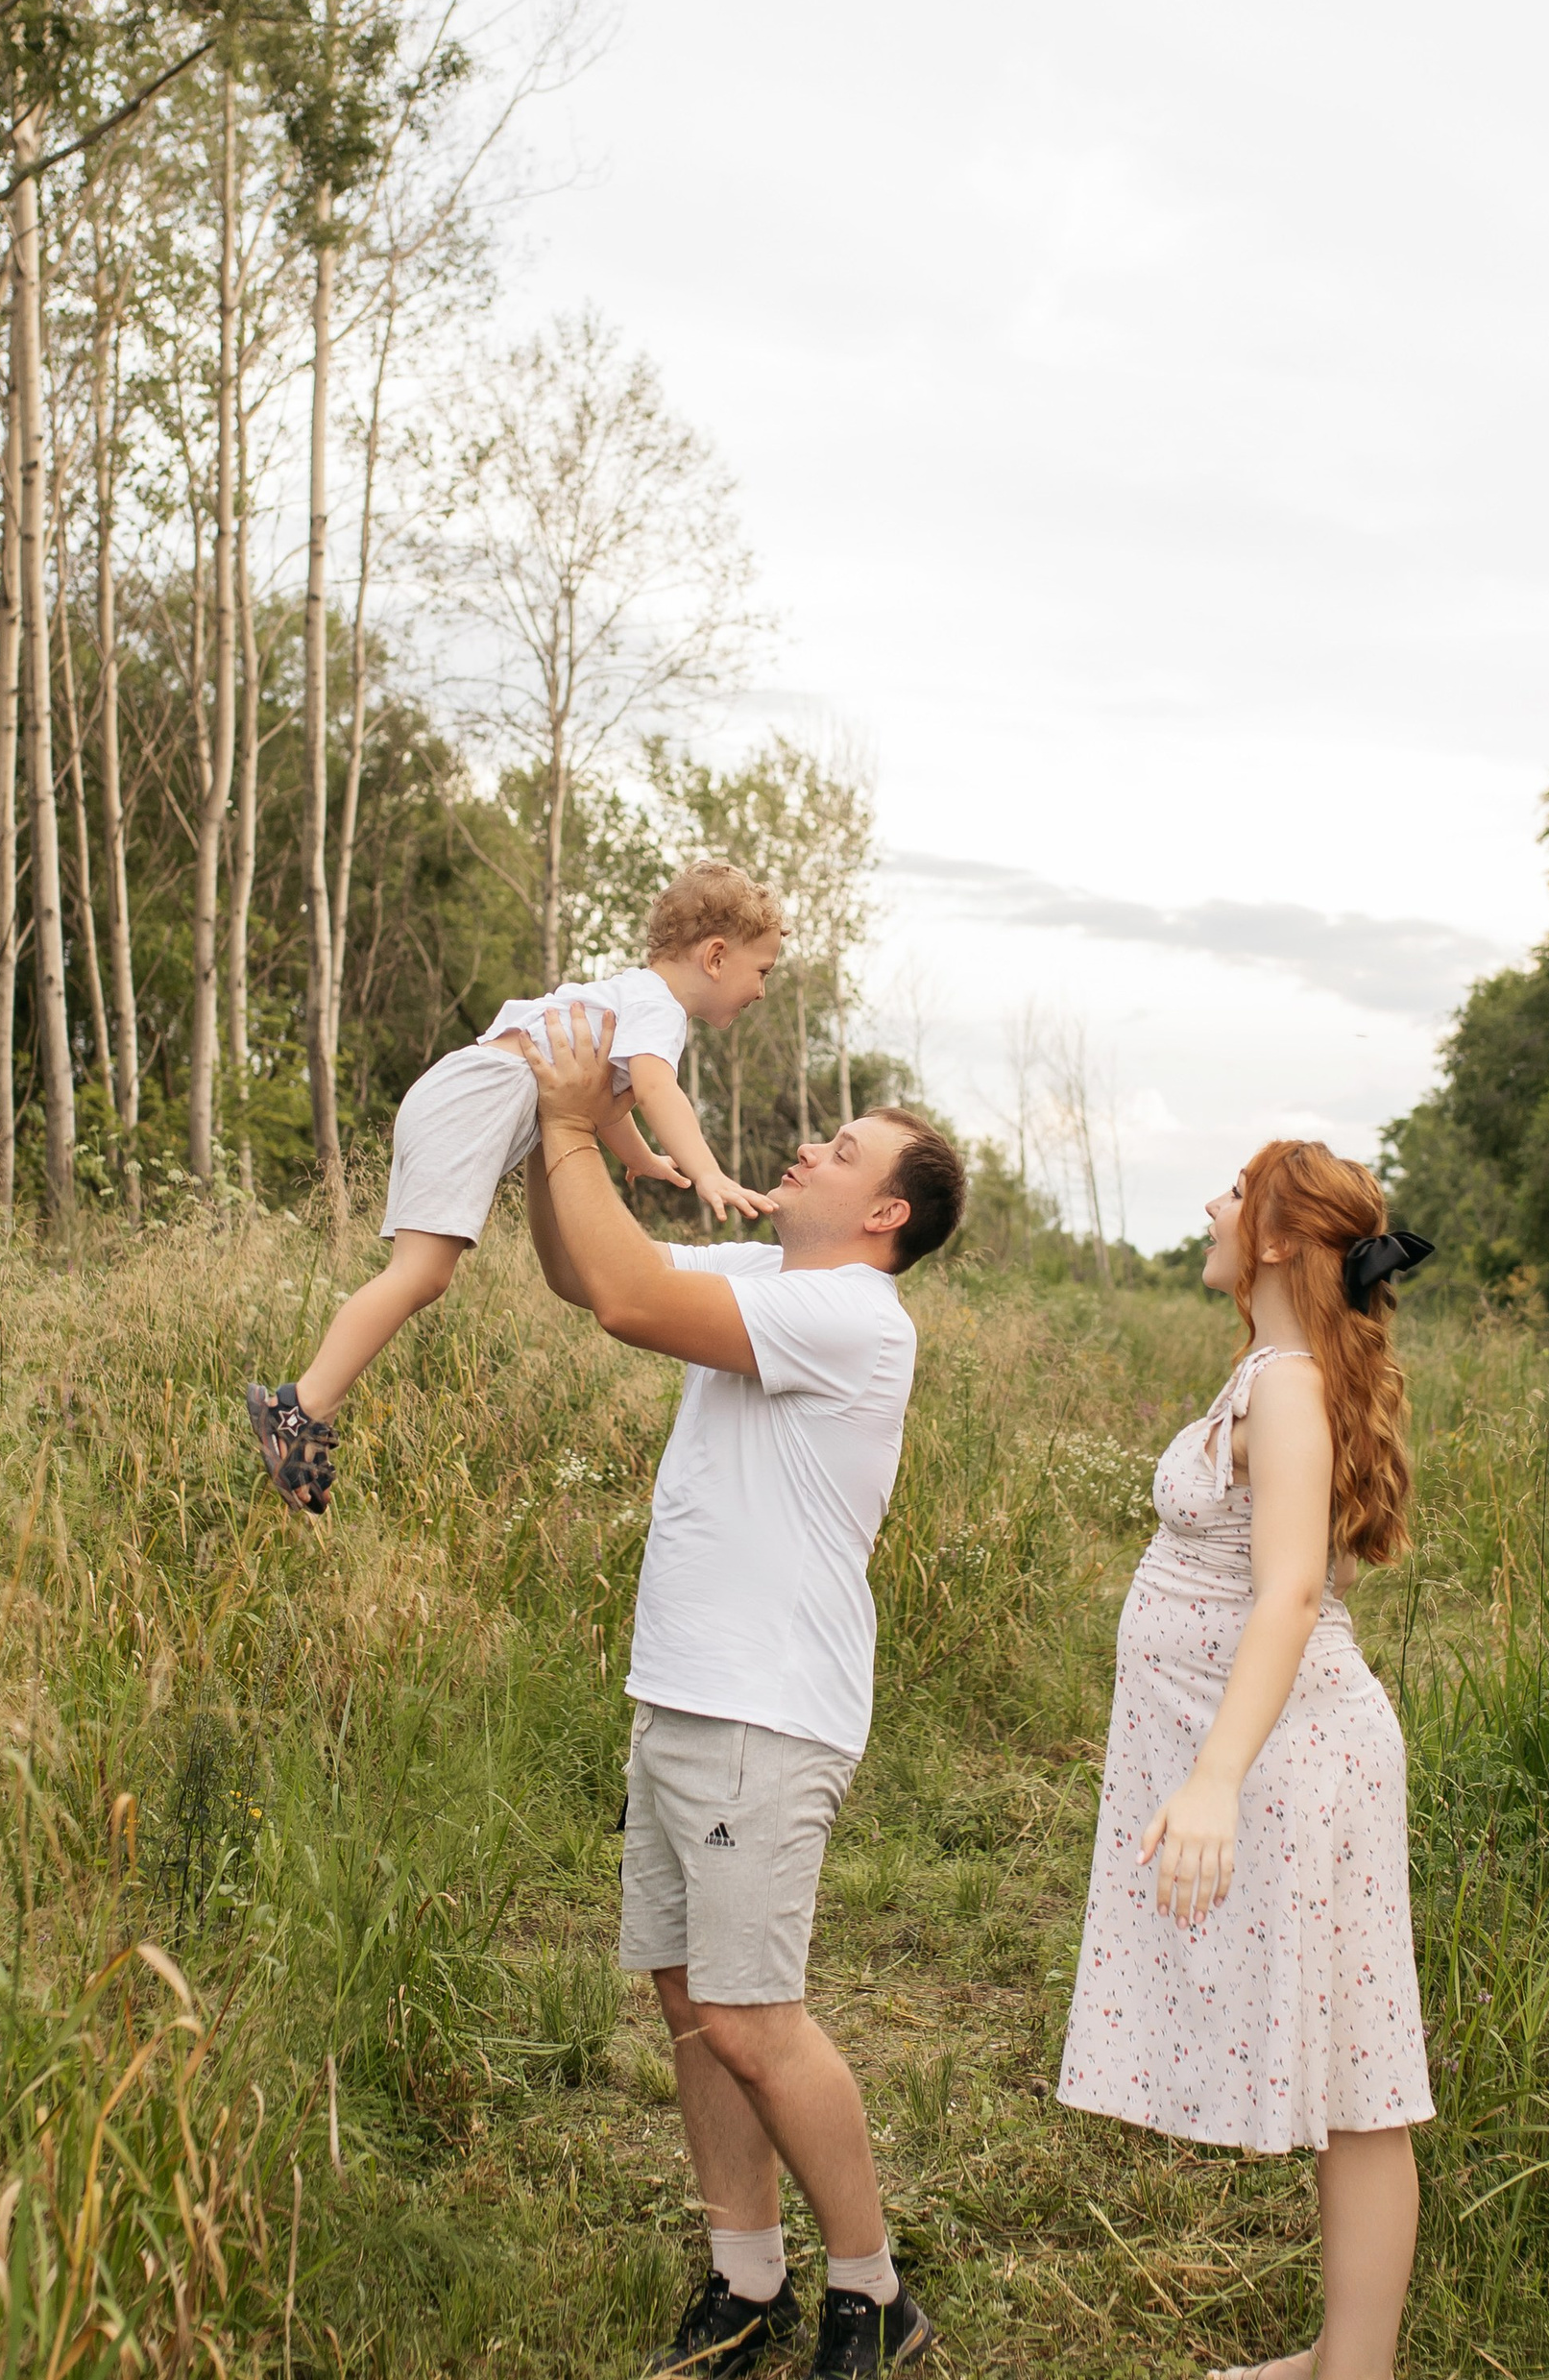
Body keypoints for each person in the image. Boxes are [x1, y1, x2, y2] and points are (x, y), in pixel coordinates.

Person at [514, 999, 964, 2380]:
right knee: (691, 2000)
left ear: (885, 1215)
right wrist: (569, 1136)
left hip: (767, 1712)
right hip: (688, 1695)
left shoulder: (851, 1317)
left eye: (840, 1149)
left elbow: (640, 1302)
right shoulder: (771, 1276)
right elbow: (590, 1280)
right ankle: (743, 2278)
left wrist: (569, 1122)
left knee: (758, 2018)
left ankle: (873, 2291)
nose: (807, 1153)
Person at [1057, 1141, 1437, 2380]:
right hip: (1289, 1747)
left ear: (1277, 1239)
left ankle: (1355, 2371)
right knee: (1354, 2072)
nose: (1211, 1208)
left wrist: (1215, 1774)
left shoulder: (1283, 1383)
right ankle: (1340, 2353)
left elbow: (1286, 1596)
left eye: (1232, 1193)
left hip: (1300, 1753)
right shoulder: (1273, 1370)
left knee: (1365, 2080)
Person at [245, 862, 784, 1516]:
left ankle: (302, 1409)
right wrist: (706, 1170)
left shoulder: (630, 999)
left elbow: (604, 1102)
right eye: (763, 971)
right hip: (474, 1100)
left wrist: (643, 1158)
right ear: (717, 956)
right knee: (419, 1275)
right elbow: (652, 1088)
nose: (762, 991)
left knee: (423, 1275)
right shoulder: (657, 1010)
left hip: (460, 1092)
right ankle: (299, 1410)